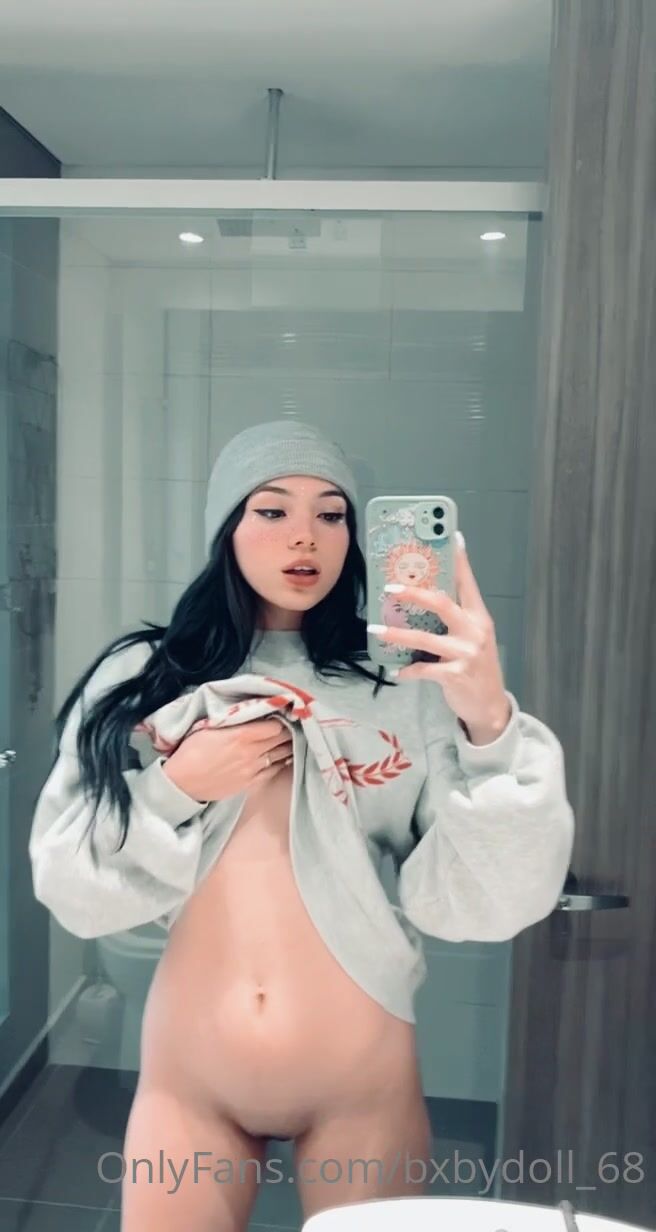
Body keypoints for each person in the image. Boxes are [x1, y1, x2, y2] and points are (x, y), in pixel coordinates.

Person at [29, 420, 575, 1231]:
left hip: (361, 1077)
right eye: (272, 509)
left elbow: (491, 899)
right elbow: (69, 883)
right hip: (191, 1076)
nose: (305, 537)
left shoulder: (403, 687)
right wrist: (178, 785)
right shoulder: (142, 678)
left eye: (331, 513)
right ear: (227, 526)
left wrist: (490, 720)